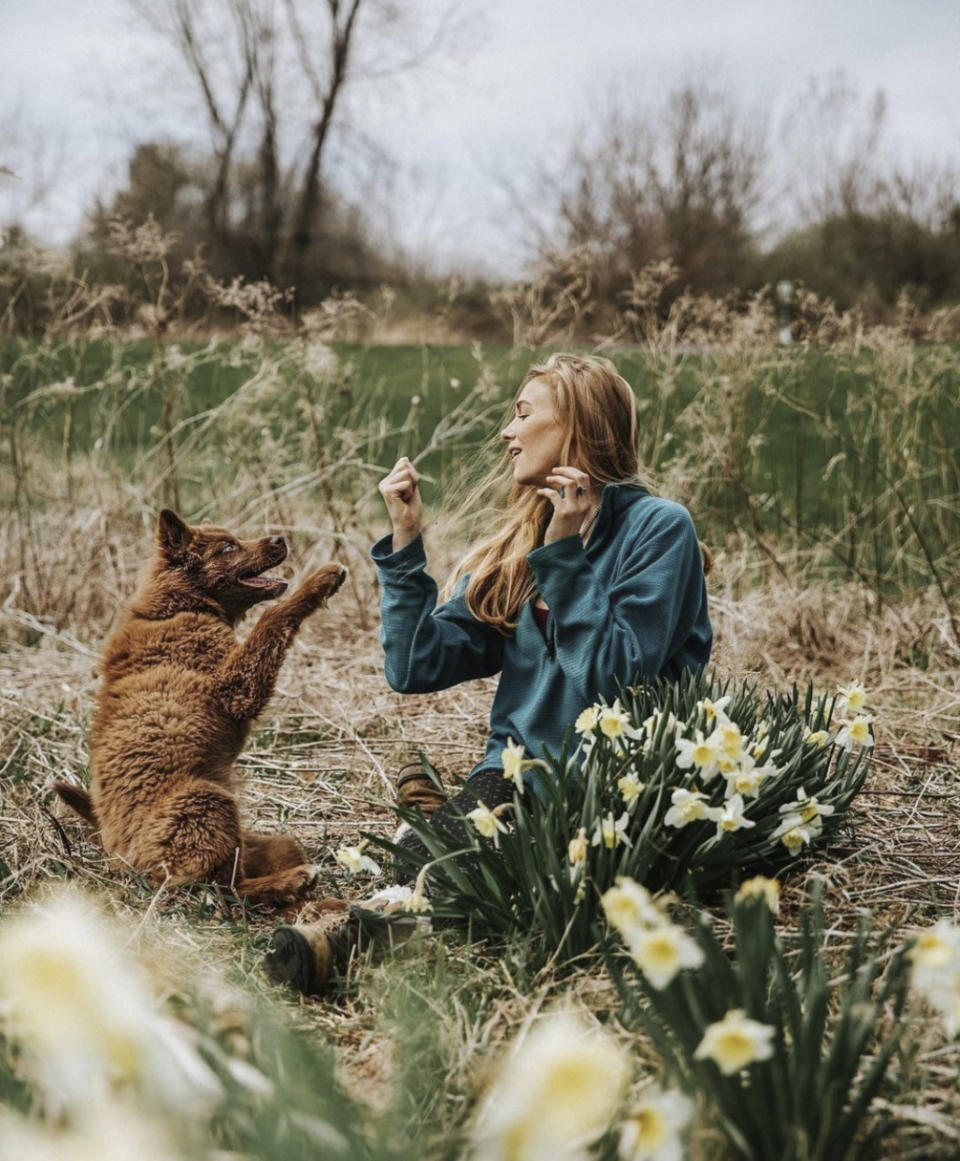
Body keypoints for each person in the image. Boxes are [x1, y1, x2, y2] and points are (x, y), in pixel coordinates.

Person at [264, 353, 712, 993]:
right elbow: (414, 665)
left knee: (452, 868)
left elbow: (614, 679)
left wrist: (563, 555)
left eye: (525, 413)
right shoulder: (526, 540)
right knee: (442, 854)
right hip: (511, 781)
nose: (508, 430)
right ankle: (408, 862)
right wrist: (406, 542)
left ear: (576, 429)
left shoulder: (659, 530)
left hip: (610, 792)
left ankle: (347, 936)